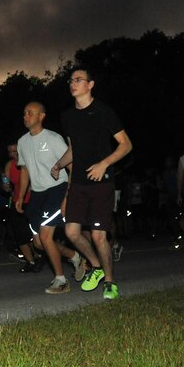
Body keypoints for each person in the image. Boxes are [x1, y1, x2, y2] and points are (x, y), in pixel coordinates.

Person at [52, 67, 132, 300]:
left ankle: (110, 282)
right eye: (71, 80)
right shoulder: (67, 116)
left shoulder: (103, 111)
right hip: (77, 183)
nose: (73, 83)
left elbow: (126, 145)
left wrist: (104, 164)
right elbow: (73, 149)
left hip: (100, 183)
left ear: (90, 85)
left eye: (79, 80)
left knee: (98, 236)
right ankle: (96, 267)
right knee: (72, 232)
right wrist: (58, 165)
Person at [16, 102, 83, 294]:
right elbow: (25, 169)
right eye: (24, 113)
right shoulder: (22, 142)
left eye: (30, 113)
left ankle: (61, 280)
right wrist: (21, 195)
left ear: (42, 116)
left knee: (45, 237)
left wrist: (67, 196)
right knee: (38, 243)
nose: (26, 116)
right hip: (37, 194)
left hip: (57, 189)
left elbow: (72, 168)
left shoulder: (53, 139)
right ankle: (74, 256)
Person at [2, 141, 40, 272]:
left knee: (35, 234)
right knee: (20, 234)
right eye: (10, 152)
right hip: (17, 201)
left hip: (33, 201)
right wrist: (5, 185)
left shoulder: (29, 161)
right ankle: (31, 262)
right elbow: (6, 183)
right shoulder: (9, 165)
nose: (13, 154)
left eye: (15, 151)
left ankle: (39, 255)